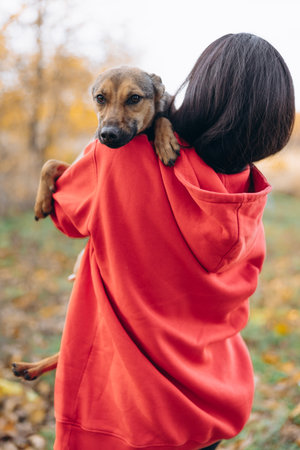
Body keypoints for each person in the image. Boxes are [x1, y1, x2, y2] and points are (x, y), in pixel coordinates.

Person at [50, 33, 295, 449]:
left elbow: (65, 215)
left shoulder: (116, 158)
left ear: (199, 91)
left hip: (129, 408)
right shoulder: (249, 195)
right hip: (214, 401)